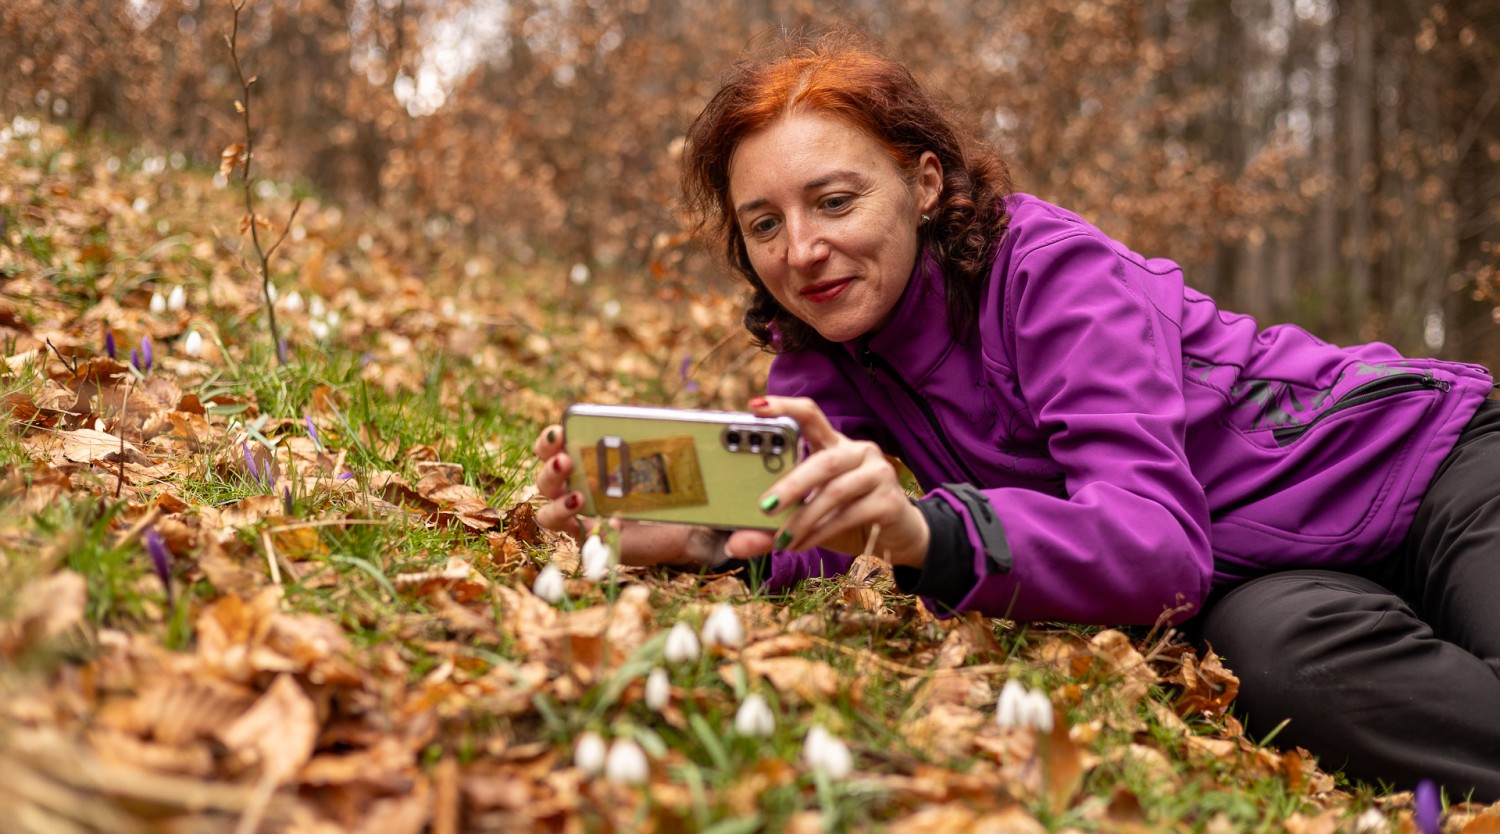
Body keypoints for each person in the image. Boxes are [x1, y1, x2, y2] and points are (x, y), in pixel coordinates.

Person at [530, 33, 1500, 800]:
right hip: (1262, 568)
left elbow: (1151, 542)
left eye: (834, 200)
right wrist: (695, 538)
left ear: (923, 184)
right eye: (766, 223)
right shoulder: (828, 339)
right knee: (1289, 676)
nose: (804, 251)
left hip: (1429, 470)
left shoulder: (1053, 274)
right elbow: (824, 531)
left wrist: (929, 528)